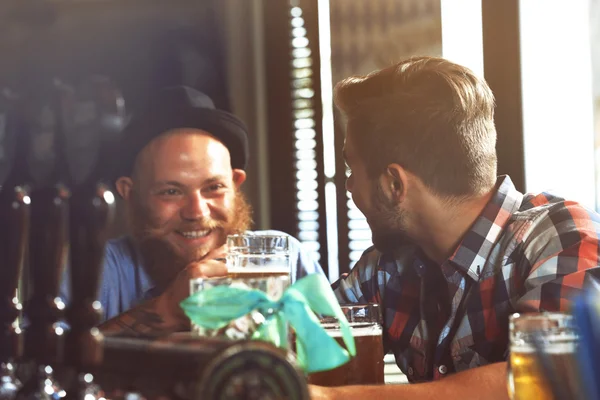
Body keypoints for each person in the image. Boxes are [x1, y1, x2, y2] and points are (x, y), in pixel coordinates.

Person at [310, 56, 600, 400]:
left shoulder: (562, 236)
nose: (349, 188)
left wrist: (328, 398)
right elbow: (300, 333)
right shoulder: (385, 269)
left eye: (351, 170)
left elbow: (552, 379)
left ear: (393, 185)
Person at [60, 86, 322, 336]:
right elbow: (32, 371)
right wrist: (167, 310)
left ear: (236, 184)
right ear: (130, 193)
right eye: (171, 192)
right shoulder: (94, 271)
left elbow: (342, 368)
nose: (196, 212)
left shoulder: (284, 259)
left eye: (214, 187)